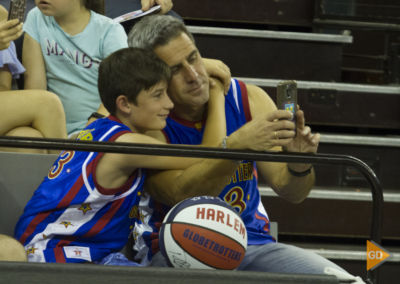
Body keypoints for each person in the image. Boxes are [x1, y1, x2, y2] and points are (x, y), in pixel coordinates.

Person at [127, 15, 365, 283]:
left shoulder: (248, 99)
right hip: (177, 249)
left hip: (253, 245)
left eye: (193, 58)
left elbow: (292, 192)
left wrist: (299, 165)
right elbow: (185, 195)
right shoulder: (150, 121)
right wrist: (236, 144)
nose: (193, 75)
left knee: (346, 282)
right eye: (175, 69)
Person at [14, 47, 267, 264]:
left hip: (64, 247)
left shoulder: (100, 129)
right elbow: (206, 156)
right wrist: (216, 97)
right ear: (125, 104)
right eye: (158, 95)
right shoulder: (128, 146)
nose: (169, 104)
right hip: (57, 252)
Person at [22, 0, 128, 135]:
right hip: (51, 124)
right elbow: (35, 89)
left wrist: (95, 123)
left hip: (99, 123)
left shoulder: (109, 31)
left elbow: (119, 90)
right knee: (24, 136)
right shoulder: (36, 17)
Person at [0, 4, 67, 154]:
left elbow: (3, 87)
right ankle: (69, 176)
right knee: (48, 103)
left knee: (28, 141)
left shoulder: (0, 16)